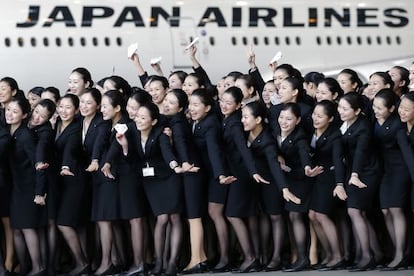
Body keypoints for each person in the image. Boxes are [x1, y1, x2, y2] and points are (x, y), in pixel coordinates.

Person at [115, 102, 186, 276]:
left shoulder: (160, 134)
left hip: (169, 177)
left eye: (143, 117)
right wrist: (124, 146)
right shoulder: (132, 132)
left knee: (174, 218)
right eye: (138, 116)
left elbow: (167, 151)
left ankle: (171, 263)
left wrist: (175, 166)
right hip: (150, 181)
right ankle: (159, 261)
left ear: (153, 121)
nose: (138, 120)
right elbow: (131, 160)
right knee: (161, 219)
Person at [241, 101, 300, 271]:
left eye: (246, 117)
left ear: (258, 119)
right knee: (263, 217)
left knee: (275, 217)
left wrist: (284, 189)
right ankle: (263, 255)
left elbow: (274, 165)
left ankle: (276, 258)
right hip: (255, 183)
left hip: (271, 182)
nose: (242, 120)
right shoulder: (245, 133)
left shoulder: (267, 140)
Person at [220, 87, 269, 273]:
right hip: (239, 172)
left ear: (238, 105)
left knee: (232, 214)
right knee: (247, 216)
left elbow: (243, 148)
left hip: (242, 173)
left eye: (228, 103)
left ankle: (250, 257)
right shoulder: (229, 119)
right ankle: (254, 257)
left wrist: (252, 171)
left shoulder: (234, 124)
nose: (224, 105)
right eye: (222, 101)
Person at [102, 90, 150, 275]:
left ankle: (139, 264)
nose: (130, 111)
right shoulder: (127, 125)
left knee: (136, 219)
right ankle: (138, 263)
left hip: (133, 176)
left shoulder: (139, 125)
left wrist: (124, 149)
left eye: (134, 108)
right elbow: (115, 147)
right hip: (126, 176)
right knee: (134, 219)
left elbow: (133, 154)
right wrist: (107, 162)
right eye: (129, 106)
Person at [188, 89, 236, 272]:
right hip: (208, 175)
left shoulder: (209, 124)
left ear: (207, 107)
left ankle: (225, 258)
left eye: (196, 105)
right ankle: (215, 255)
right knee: (212, 215)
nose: (192, 109)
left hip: (219, 174)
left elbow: (214, 151)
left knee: (215, 213)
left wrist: (221, 175)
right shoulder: (196, 121)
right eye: (191, 104)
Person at [161, 89, 208, 274]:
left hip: (192, 172)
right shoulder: (176, 121)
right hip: (191, 171)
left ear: (181, 108)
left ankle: (196, 260)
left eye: (171, 102)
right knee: (192, 217)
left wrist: (186, 163)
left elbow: (181, 144)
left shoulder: (178, 123)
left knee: (194, 218)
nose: (166, 104)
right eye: (166, 100)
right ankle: (201, 256)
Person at [337, 92, 381, 271]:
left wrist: (354, 175)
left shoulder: (363, 126)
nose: (341, 111)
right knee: (359, 213)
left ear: (357, 111)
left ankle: (367, 256)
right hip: (353, 172)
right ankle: (375, 254)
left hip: (366, 171)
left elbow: (361, 152)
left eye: (345, 109)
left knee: (355, 211)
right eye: (340, 107)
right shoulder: (345, 123)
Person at [275, 103, 321, 272]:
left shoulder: (300, 138)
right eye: (281, 117)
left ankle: (303, 258)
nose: (284, 122)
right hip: (289, 179)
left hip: (302, 179)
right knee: (292, 217)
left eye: (289, 119)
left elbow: (304, 156)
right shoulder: (277, 131)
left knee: (296, 216)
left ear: (298, 120)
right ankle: (299, 257)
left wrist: (307, 168)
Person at [7, 96, 47, 276]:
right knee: (16, 229)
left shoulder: (25, 136)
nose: (10, 114)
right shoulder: (9, 131)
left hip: (28, 188)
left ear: (24, 115)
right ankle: (24, 268)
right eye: (8, 110)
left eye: (15, 112)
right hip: (16, 187)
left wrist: (39, 192)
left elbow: (38, 165)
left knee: (27, 228)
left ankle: (38, 268)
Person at [79, 88, 117, 275]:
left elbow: (100, 142)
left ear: (97, 105)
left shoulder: (102, 123)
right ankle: (106, 260)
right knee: (97, 221)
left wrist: (95, 161)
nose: (84, 106)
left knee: (104, 221)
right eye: (82, 102)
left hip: (103, 175)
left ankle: (107, 263)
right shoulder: (79, 122)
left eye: (89, 103)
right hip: (89, 179)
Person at [372, 89, 410, 270]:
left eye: (380, 108)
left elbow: (408, 154)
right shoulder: (374, 121)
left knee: (395, 210)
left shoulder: (397, 126)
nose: (376, 110)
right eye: (374, 106)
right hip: (386, 172)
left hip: (400, 171)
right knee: (385, 211)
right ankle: (398, 251)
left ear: (391, 108)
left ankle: (401, 255)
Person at [308, 100, 346, 270]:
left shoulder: (335, 135)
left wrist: (339, 183)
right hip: (317, 178)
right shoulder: (311, 131)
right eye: (314, 114)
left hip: (330, 178)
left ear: (330, 119)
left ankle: (338, 256)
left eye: (320, 116)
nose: (315, 118)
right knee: (312, 215)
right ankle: (328, 253)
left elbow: (338, 161)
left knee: (322, 215)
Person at [54, 94, 89, 275]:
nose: (64, 110)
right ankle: (85, 263)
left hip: (74, 179)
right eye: (61, 106)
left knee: (64, 223)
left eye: (68, 108)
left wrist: (66, 164)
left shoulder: (75, 129)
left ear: (76, 111)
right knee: (78, 223)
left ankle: (81, 262)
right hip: (64, 182)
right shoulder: (58, 125)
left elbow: (70, 149)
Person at [28, 99, 57, 275]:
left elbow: (40, 152)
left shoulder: (45, 132)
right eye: (36, 112)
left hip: (48, 180)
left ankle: (51, 267)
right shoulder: (26, 122)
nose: (37, 117)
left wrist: (40, 191)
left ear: (49, 119)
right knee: (40, 224)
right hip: (37, 179)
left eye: (42, 116)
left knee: (50, 223)